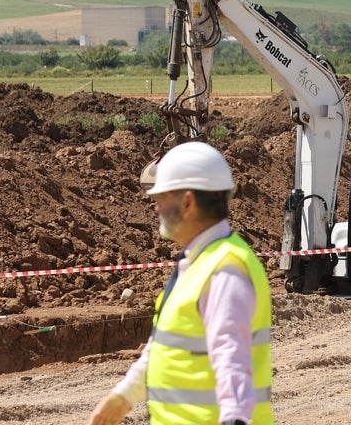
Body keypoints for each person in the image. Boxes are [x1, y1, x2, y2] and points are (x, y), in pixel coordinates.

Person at [88, 141, 273, 425]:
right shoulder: (197, 262)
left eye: (162, 198)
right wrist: (124, 396)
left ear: (187, 202)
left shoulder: (225, 270)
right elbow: (165, 345)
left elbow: (232, 363)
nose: (155, 207)